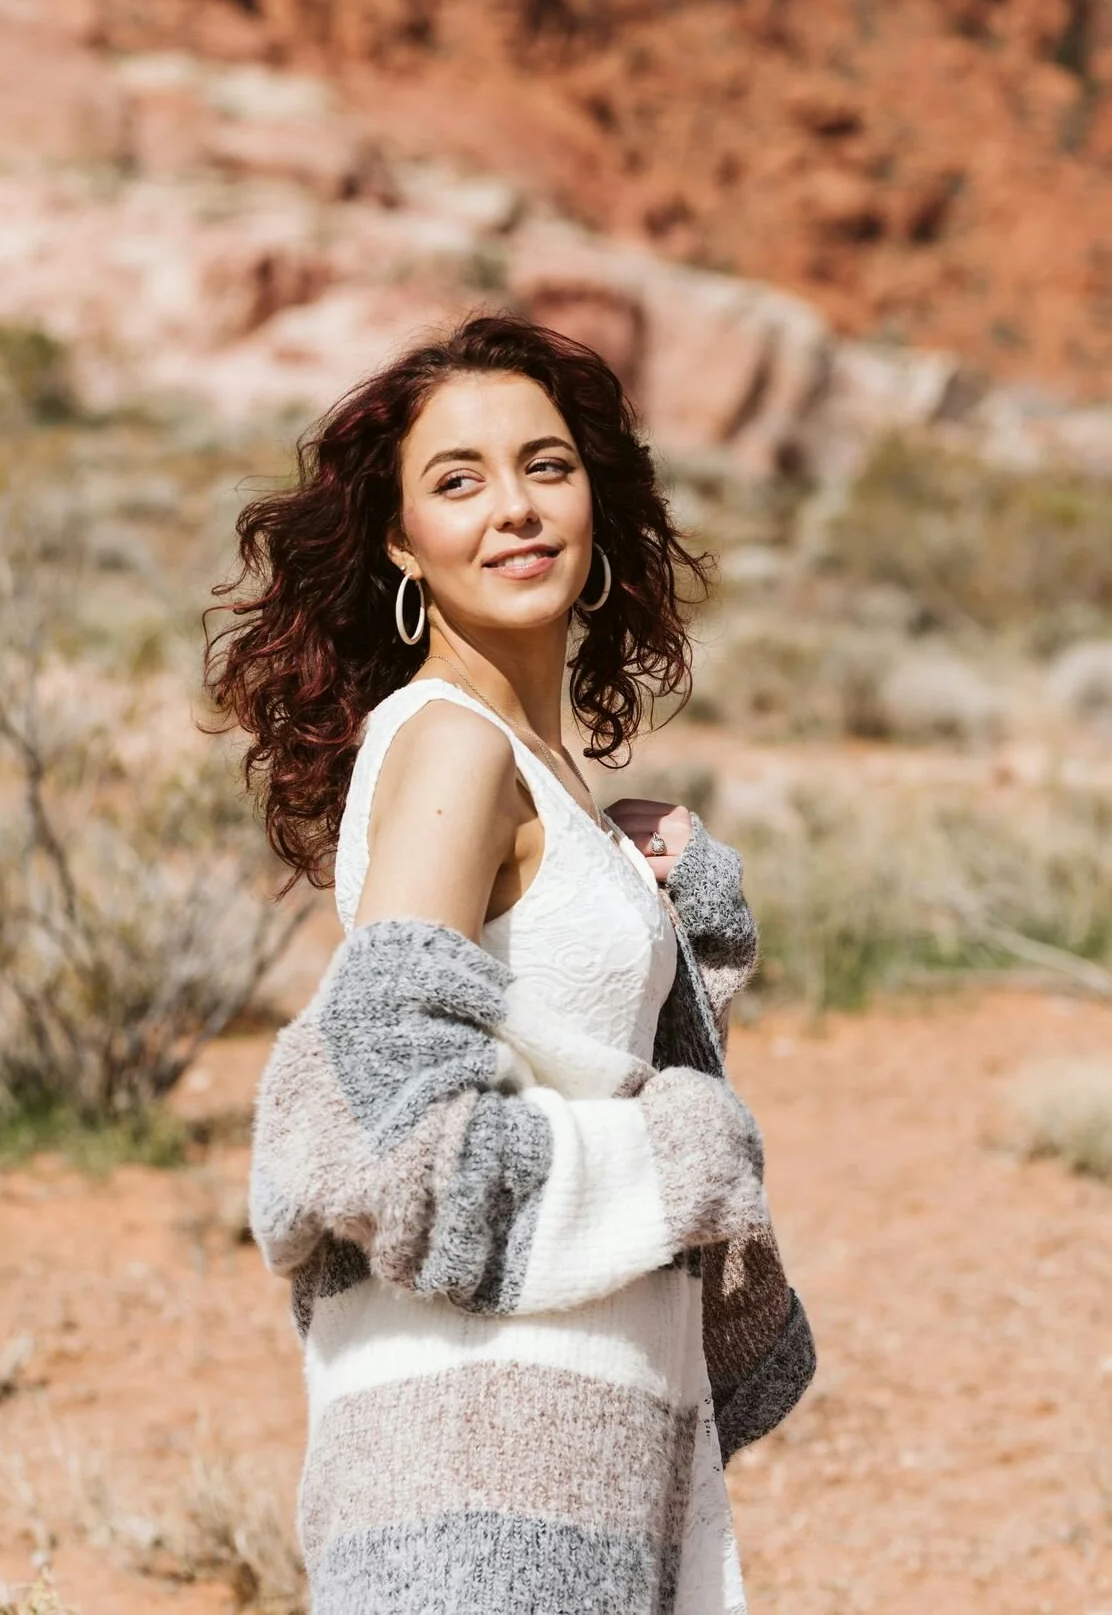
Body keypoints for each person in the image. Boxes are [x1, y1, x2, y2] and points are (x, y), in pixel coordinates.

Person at [208, 312, 813, 1615]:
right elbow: (403, 1136)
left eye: (546, 464)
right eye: (458, 479)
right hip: (474, 1467)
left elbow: (562, 1048)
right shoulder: (452, 749)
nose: (517, 507)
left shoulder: (534, 771)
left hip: (579, 1440)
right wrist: (681, 1153)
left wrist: (678, 910)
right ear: (398, 542)